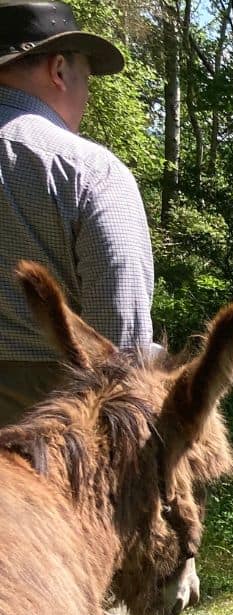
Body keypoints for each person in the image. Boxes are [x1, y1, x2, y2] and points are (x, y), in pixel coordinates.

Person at [0, 0, 152, 428]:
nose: (86, 95)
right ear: (59, 69)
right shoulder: (90, 171)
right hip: (51, 436)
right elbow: (122, 350)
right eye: (86, 78)